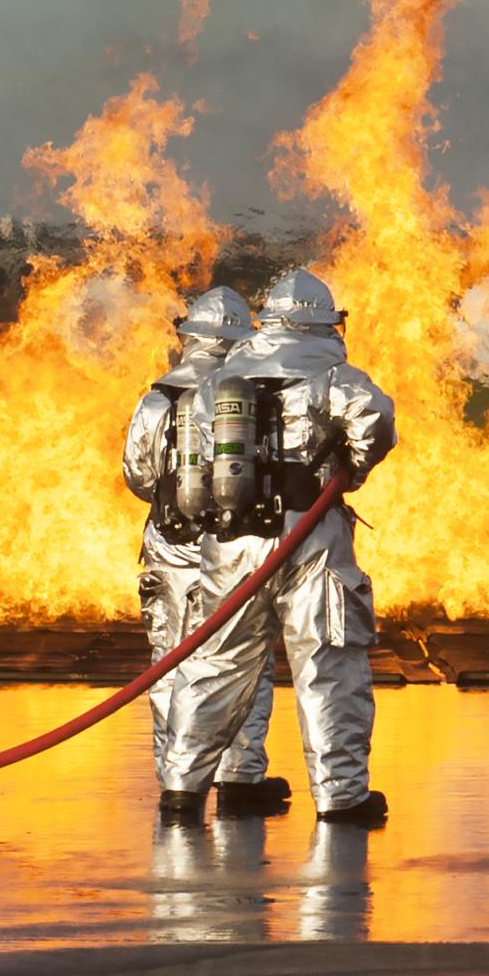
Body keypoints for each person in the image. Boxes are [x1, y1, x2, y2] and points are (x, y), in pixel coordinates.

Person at [158, 269, 396, 824]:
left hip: (230, 538)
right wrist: (351, 469)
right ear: (324, 325)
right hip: (309, 536)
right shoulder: (335, 376)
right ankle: (341, 797)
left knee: (214, 666)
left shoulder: (221, 381)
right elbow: (377, 422)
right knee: (328, 664)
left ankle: (181, 789)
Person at [123, 286, 289, 817]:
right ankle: (240, 778)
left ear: (190, 337)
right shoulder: (256, 399)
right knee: (242, 660)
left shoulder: (157, 400)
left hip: (170, 545)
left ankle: (175, 779)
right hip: (235, 547)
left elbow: (138, 475)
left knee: (170, 662)